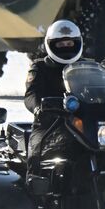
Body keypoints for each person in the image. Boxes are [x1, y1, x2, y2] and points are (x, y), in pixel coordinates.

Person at [24, 19, 85, 167]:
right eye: (60, 44)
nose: (65, 47)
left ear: (77, 43)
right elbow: (31, 94)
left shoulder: (86, 66)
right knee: (37, 148)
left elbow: (101, 88)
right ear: (51, 45)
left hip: (83, 122)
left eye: (69, 44)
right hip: (49, 122)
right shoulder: (40, 67)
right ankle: (33, 184)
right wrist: (39, 107)